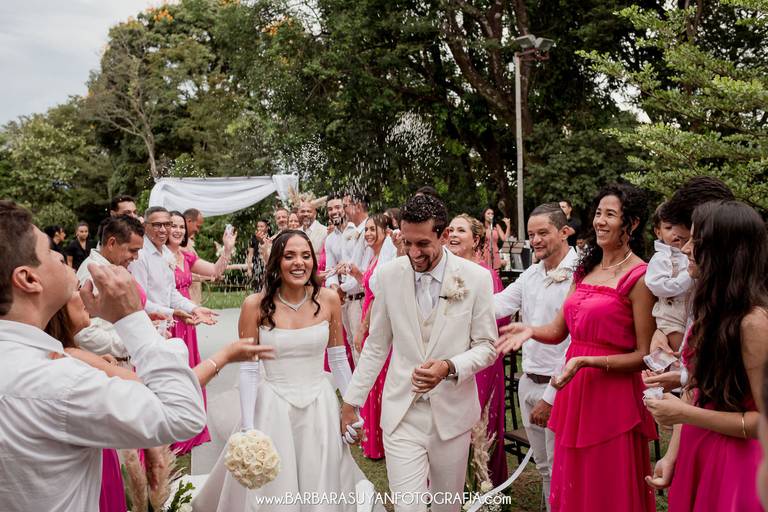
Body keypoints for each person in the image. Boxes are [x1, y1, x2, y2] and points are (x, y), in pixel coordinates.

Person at [0, 199, 206, 512]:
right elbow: (183, 414)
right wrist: (131, 320)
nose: (62, 257)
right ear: (29, 279)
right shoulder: (58, 380)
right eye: (51, 252)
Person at [497, 183, 657, 512]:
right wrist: (530, 330)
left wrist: (589, 362)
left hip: (612, 395)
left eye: (610, 214)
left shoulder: (640, 276)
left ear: (632, 223)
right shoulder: (585, 269)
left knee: (606, 485)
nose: (600, 221)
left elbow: (645, 355)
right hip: (575, 391)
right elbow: (559, 331)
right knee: (570, 480)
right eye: (598, 213)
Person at [193, 230, 375, 511]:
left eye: (306, 255)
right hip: (273, 407)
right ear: (277, 261)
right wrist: (248, 427)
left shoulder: (329, 299)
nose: (299, 262)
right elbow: (249, 370)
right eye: (289, 256)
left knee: (321, 482)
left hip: (320, 405)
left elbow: (339, 360)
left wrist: (352, 409)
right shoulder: (255, 305)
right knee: (276, 486)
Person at [45, 290, 274, 512]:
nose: (84, 294)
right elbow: (159, 397)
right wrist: (223, 357)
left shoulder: (67, 353)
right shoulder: (73, 357)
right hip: (99, 470)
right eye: (75, 289)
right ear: (55, 307)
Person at [341, 194, 498, 512]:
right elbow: (377, 345)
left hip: (451, 416)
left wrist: (449, 366)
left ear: (444, 235)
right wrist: (351, 400)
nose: (414, 252)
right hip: (402, 413)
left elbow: (487, 346)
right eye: (408, 242)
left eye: (423, 243)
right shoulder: (388, 276)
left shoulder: (476, 279)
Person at [644, 201, 767, 511]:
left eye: (695, 241)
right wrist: (672, 455)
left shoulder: (753, 322)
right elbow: (698, 389)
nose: (685, 249)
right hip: (697, 449)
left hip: (737, 464)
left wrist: (684, 415)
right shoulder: (709, 309)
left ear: (725, 250)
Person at [491, 203, 578, 506]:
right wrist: (459, 295)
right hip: (528, 381)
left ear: (564, 232)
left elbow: (576, 342)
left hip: (561, 386)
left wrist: (551, 396)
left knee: (561, 469)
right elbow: (498, 305)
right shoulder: (531, 274)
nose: (536, 240)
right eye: (531, 235)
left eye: (543, 233)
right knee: (543, 467)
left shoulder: (580, 274)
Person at [445, 213, 509, 486]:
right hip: (448, 357)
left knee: (478, 422)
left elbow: (499, 322)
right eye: (450, 230)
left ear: (476, 240)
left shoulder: (486, 275)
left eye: (461, 230)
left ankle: (478, 485)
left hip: (481, 361)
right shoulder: (444, 273)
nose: (453, 234)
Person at [167, 211, 235, 454]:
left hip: (188, 318)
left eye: (181, 226)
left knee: (191, 369)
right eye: (173, 226)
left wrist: (227, 249)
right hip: (169, 319)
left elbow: (215, 271)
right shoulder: (158, 257)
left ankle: (189, 427)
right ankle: (171, 430)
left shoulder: (186, 255)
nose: (178, 230)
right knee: (172, 372)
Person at [347, 214, 392, 459]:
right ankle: (372, 440)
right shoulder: (374, 256)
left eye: (373, 229)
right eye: (367, 230)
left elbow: (377, 295)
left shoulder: (387, 257)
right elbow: (368, 286)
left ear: (385, 232)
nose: (368, 234)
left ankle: (380, 443)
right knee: (371, 380)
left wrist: (363, 326)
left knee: (376, 378)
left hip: (374, 319)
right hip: (368, 312)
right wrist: (357, 274)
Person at [128, 206, 216, 328]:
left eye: (167, 224)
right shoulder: (140, 255)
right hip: (145, 325)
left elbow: (171, 293)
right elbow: (139, 301)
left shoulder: (166, 253)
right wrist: (172, 312)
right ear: (145, 226)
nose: (163, 230)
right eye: (157, 225)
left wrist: (194, 309)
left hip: (164, 325)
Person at [76, 215, 146, 366]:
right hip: (108, 365)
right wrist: (131, 343)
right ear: (112, 243)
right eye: (132, 250)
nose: (136, 257)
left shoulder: (111, 268)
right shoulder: (93, 275)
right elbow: (84, 333)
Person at [645, 203, 691, 352]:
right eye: (669, 228)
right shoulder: (661, 257)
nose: (675, 233)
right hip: (671, 318)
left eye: (679, 227)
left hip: (691, 312)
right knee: (678, 353)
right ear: (658, 232)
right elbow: (657, 286)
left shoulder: (689, 253)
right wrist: (688, 276)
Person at [246, 219, 270, 292]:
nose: (259, 228)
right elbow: (250, 254)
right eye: (258, 226)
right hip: (257, 265)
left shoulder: (271, 237)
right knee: (257, 287)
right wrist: (249, 268)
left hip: (269, 264)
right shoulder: (254, 238)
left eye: (261, 226)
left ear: (267, 228)